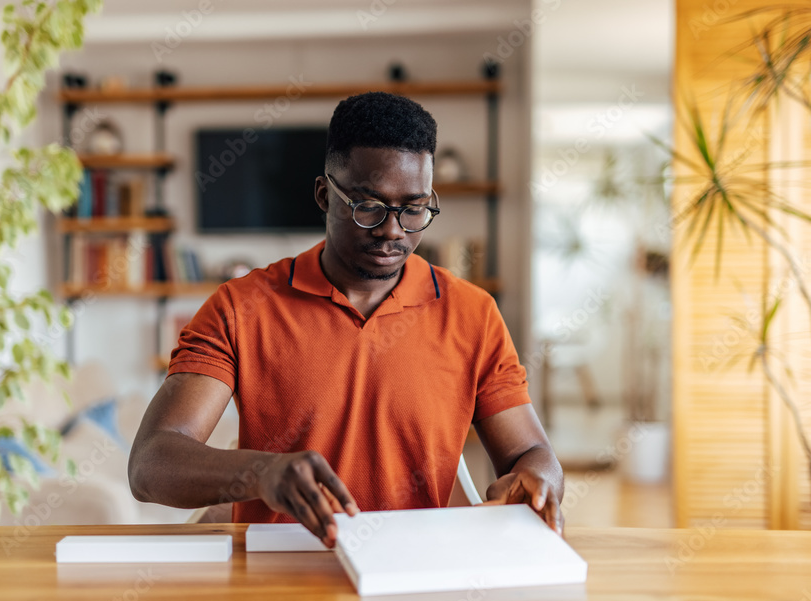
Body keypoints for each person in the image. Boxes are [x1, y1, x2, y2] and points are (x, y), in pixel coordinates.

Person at [129, 92, 564, 547]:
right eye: (368, 206)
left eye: (413, 208)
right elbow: (151, 463)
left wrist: (537, 482)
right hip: (280, 573)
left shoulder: (472, 313)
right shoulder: (241, 307)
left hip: (416, 569)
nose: (392, 231)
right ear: (324, 194)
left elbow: (531, 453)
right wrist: (262, 472)